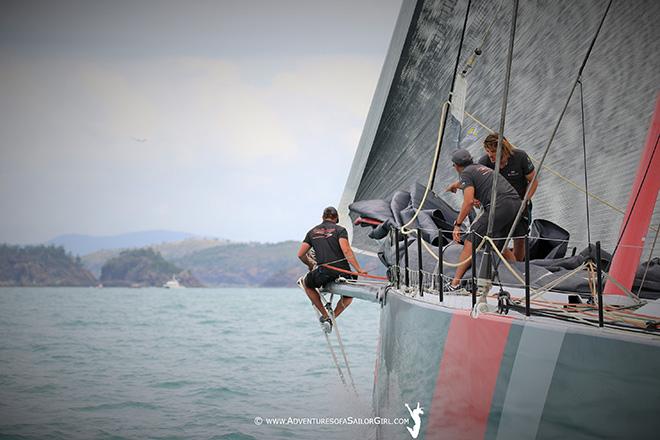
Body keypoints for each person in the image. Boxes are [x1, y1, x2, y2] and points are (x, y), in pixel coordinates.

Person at [445, 149, 520, 289]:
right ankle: (519, 278)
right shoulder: (480, 168)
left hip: (499, 205)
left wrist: (457, 224)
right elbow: (473, 184)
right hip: (515, 203)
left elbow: (467, 203)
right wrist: (454, 186)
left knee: (471, 238)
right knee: (499, 245)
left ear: (456, 166)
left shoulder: (465, 173)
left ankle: (455, 284)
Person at [297, 206, 365, 332]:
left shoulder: (312, 232)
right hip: (343, 271)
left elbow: (301, 254)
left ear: (323, 217)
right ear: (336, 218)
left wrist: (310, 265)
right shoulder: (340, 230)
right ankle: (333, 317)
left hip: (324, 272)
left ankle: (325, 315)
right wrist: (359, 269)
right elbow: (346, 250)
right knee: (349, 296)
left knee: (307, 284)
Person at [478, 133, 538, 261]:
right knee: (496, 241)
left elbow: (533, 181)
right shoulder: (484, 163)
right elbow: (477, 185)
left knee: (520, 238)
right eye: (487, 151)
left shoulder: (520, 157)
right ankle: (514, 267)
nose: (490, 155)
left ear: (503, 150)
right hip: (497, 207)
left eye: (493, 152)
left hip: (519, 204)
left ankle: (519, 266)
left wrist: (525, 201)